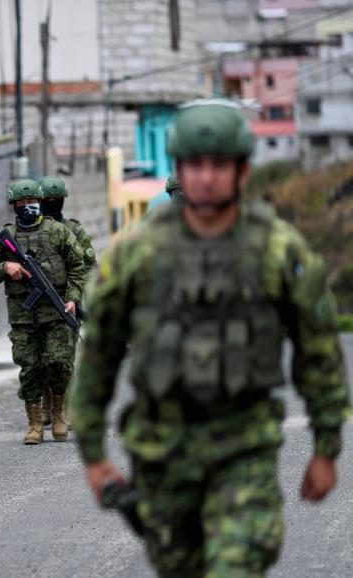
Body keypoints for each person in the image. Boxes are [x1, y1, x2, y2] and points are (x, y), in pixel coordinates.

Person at [69, 99, 351, 577]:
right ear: (178, 170)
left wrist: (326, 448)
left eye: (219, 164)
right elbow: (98, 356)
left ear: (242, 171)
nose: (205, 177)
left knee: (234, 568)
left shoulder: (279, 250)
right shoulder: (137, 255)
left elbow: (318, 353)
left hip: (246, 451)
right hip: (161, 457)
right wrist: (94, 456)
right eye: (194, 165)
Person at [0, 179, 87, 444]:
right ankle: (35, 422)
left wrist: (73, 299)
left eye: (32, 202)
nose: (27, 207)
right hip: (23, 316)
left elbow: (77, 267)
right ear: (13, 206)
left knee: (59, 363)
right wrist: (5, 267)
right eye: (21, 203)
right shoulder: (4, 238)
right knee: (30, 368)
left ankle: (59, 413)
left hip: (56, 311)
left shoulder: (59, 232)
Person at [38, 175, 97, 424]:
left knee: (64, 359)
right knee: (39, 358)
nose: (52, 203)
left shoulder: (74, 230)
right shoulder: (31, 231)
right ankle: (46, 405)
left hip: (68, 304)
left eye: (57, 200)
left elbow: (89, 266)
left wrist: (78, 295)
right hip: (38, 305)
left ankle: (66, 408)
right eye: (47, 200)